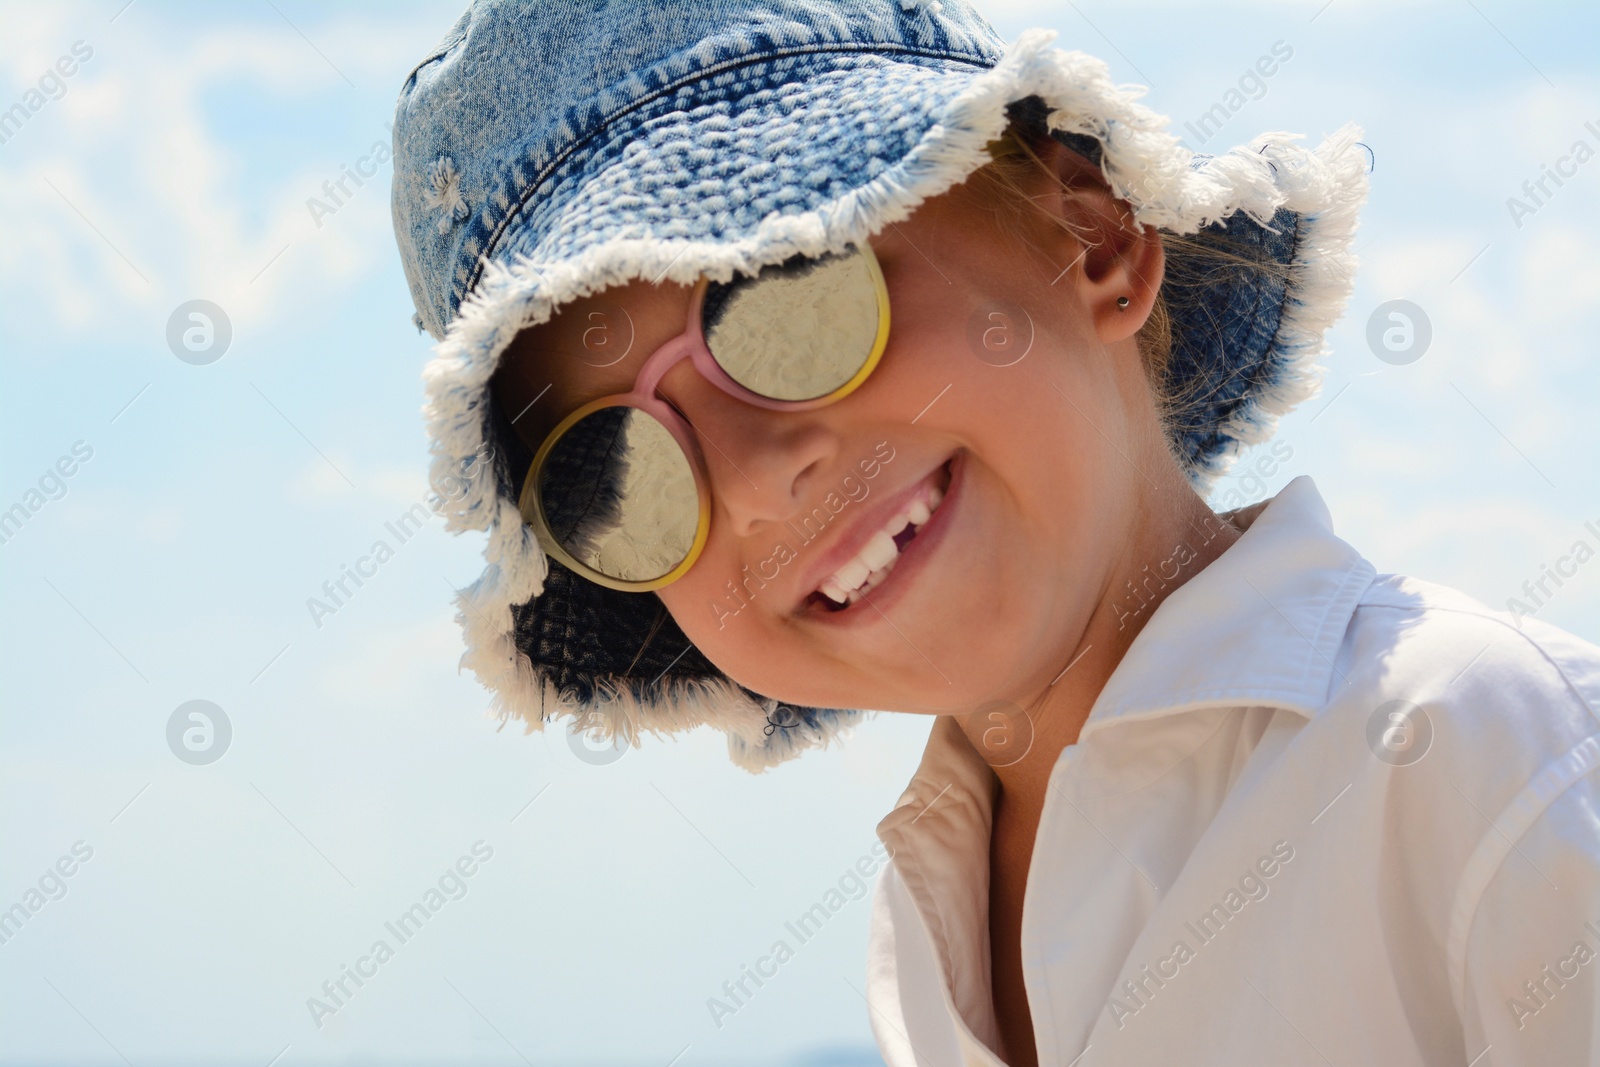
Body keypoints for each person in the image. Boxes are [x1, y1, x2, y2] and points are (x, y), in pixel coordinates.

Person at [389, 2, 1600, 1063]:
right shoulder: (924, 917)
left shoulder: (1485, 755)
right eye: (611, 471)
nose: (755, 481)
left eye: (786, 302)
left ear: (1094, 235)